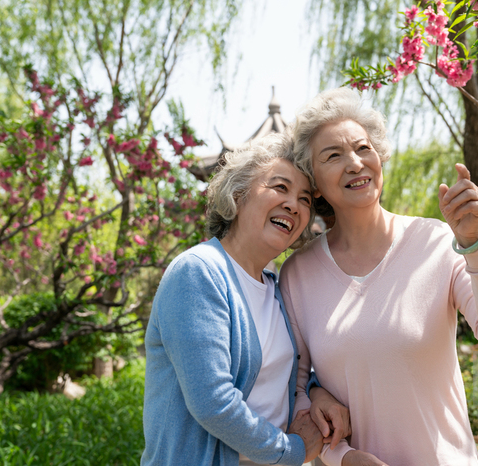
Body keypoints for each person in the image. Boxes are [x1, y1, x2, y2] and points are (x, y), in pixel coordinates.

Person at [280, 88, 478, 466]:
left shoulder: (437, 241)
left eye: (363, 149)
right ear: (313, 183)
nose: (355, 163)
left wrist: (474, 242)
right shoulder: (298, 273)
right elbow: (293, 390)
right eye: (333, 156)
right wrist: (343, 457)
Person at [141, 133, 349, 466]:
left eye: (305, 199)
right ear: (238, 195)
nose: (294, 205)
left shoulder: (276, 287)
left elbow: (286, 373)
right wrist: (291, 451)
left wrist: (314, 391)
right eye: (280, 188)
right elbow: (214, 402)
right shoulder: (198, 273)